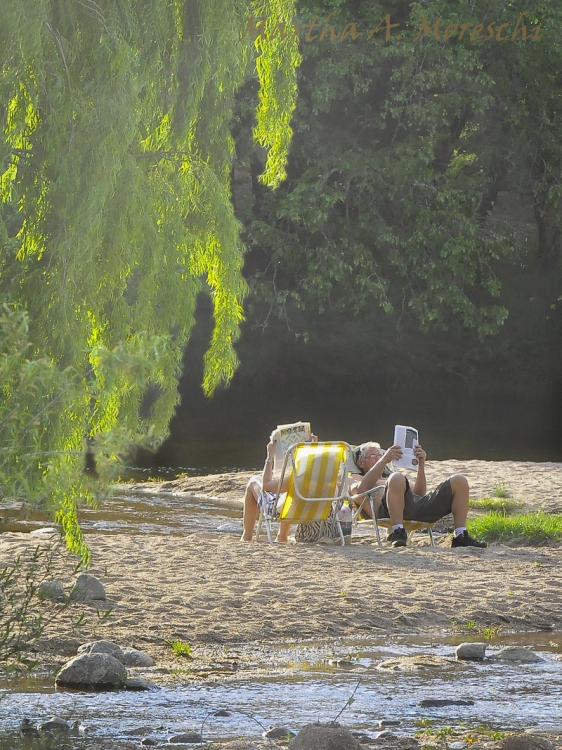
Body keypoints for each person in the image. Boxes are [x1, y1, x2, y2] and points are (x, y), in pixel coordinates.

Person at [348, 441, 487, 549]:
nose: (378, 459)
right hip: (386, 512)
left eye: (380, 455)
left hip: (415, 508)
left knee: (459, 481)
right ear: (361, 462)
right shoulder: (355, 477)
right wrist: (384, 460)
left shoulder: (389, 477)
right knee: (397, 477)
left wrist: (421, 464)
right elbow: (360, 491)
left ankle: (460, 536)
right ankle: (398, 532)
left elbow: (419, 493)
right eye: (373, 456)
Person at [241, 434, 318, 543]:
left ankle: (247, 536)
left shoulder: (296, 478)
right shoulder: (325, 477)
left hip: (282, 511)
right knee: (290, 494)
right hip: (312, 510)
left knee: (253, 482)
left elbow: (265, 486)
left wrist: (270, 457)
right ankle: (282, 535)